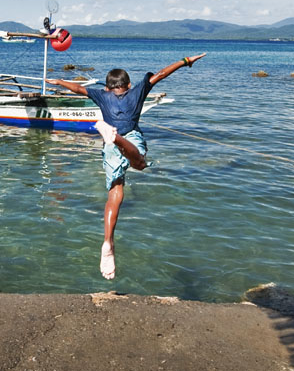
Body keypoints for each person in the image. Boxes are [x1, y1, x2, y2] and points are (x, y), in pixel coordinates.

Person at [47, 53, 206, 280]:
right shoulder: (137, 90)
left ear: (109, 87)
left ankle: (107, 243)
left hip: (108, 146)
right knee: (140, 163)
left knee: (115, 191)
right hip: (128, 137)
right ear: (128, 85)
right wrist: (186, 61)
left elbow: (77, 89)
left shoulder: (101, 95)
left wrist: (59, 82)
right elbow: (161, 74)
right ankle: (118, 138)